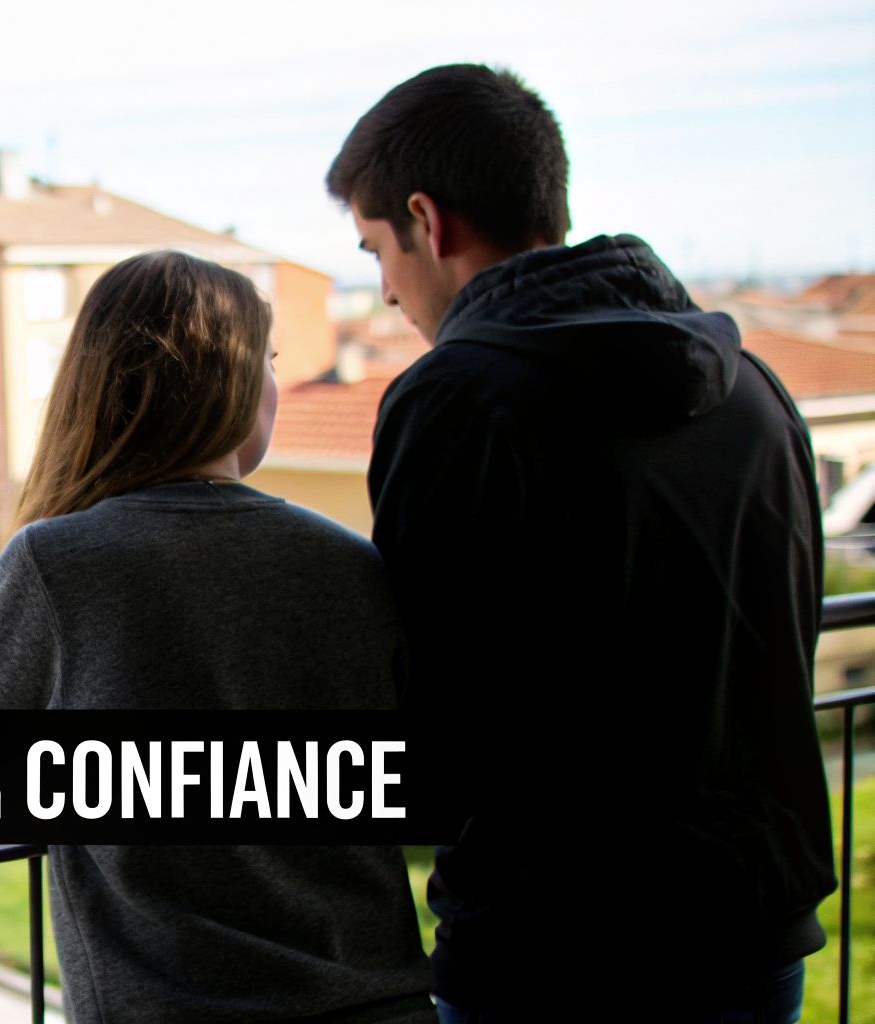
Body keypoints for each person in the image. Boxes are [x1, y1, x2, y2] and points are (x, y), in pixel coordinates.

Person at [326, 64, 835, 1019]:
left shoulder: (456, 403)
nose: (386, 293)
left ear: (429, 222)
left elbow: (437, 731)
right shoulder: (754, 392)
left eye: (374, 249)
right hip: (753, 932)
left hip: (554, 957)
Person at [0, 250, 436, 1024]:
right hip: (382, 1004)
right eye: (267, 361)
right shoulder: (351, 561)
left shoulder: (62, 562)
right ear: (237, 387)